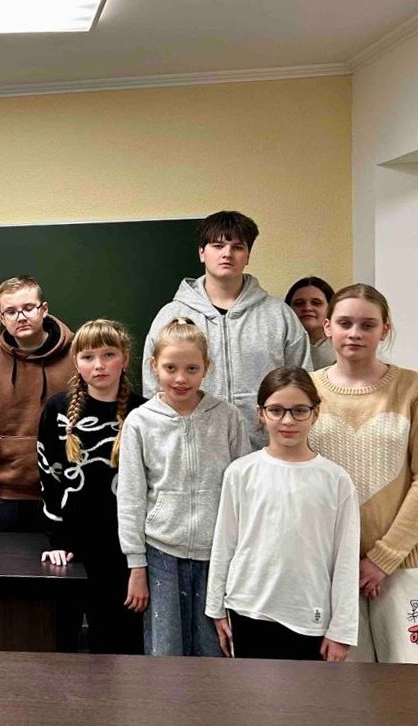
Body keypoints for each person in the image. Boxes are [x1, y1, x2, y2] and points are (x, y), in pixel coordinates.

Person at [118, 317, 251, 657]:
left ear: (207, 367)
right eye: (170, 368)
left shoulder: (227, 418)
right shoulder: (140, 421)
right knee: (165, 652)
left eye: (192, 368)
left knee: (213, 650)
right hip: (161, 553)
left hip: (217, 554)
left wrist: (241, 554)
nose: (180, 378)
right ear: (154, 366)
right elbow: (131, 496)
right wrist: (136, 565)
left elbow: (244, 492)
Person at [206, 367, 359, 661]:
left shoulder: (336, 480)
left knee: (306, 692)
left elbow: (346, 559)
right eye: (276, 410)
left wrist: (341, 630)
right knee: (250, 691)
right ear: (260, 414)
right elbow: (224, 543)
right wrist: (216, 608)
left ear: (315, 413)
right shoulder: (240, 472)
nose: (288, 421)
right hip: (247, 610)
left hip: (308, 616)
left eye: (299, 410)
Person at [310, 284, 418, 664]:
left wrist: (382, 559)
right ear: (327, 326)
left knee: (407, 681)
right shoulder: (306, 391)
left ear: (385, 329)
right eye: (345, 323)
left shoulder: (411, 389)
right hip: (328, 568)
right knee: (345, 687)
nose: (355, 333)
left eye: (367, 324)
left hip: (402, 566)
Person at [142, 211, 311, 447]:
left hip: (266, 452)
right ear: (202, 253)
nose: (227, 254)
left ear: (248, 256)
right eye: (218, 245)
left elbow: (303, 384)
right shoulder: (170, 316)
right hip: (193, 451)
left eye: (238, 247)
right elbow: (153, 390)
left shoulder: (279, 316)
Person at [38, 319, 147, 655]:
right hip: (72, 549)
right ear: (76, 362)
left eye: (108, 354)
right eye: (88, 357)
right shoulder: (57, 410)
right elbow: (49, 476)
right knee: (63, 643)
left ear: (125, 359)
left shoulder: (144, 413)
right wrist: (58, 541)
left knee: (117, 644)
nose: (98, 365)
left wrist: (139, 556)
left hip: (123, 550)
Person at [0, 275, 75, 532]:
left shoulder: (78, 357)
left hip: (69, 488)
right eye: (11, 311)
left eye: (28, 308)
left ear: (44, 309)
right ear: (2, 317)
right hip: (10, 497)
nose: (21, 317)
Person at [286, 276, 337, 370]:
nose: (307, 308)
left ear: (331, 308)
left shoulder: (343, 345)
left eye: (316, 303)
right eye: (299, 303)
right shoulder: (281, 346)